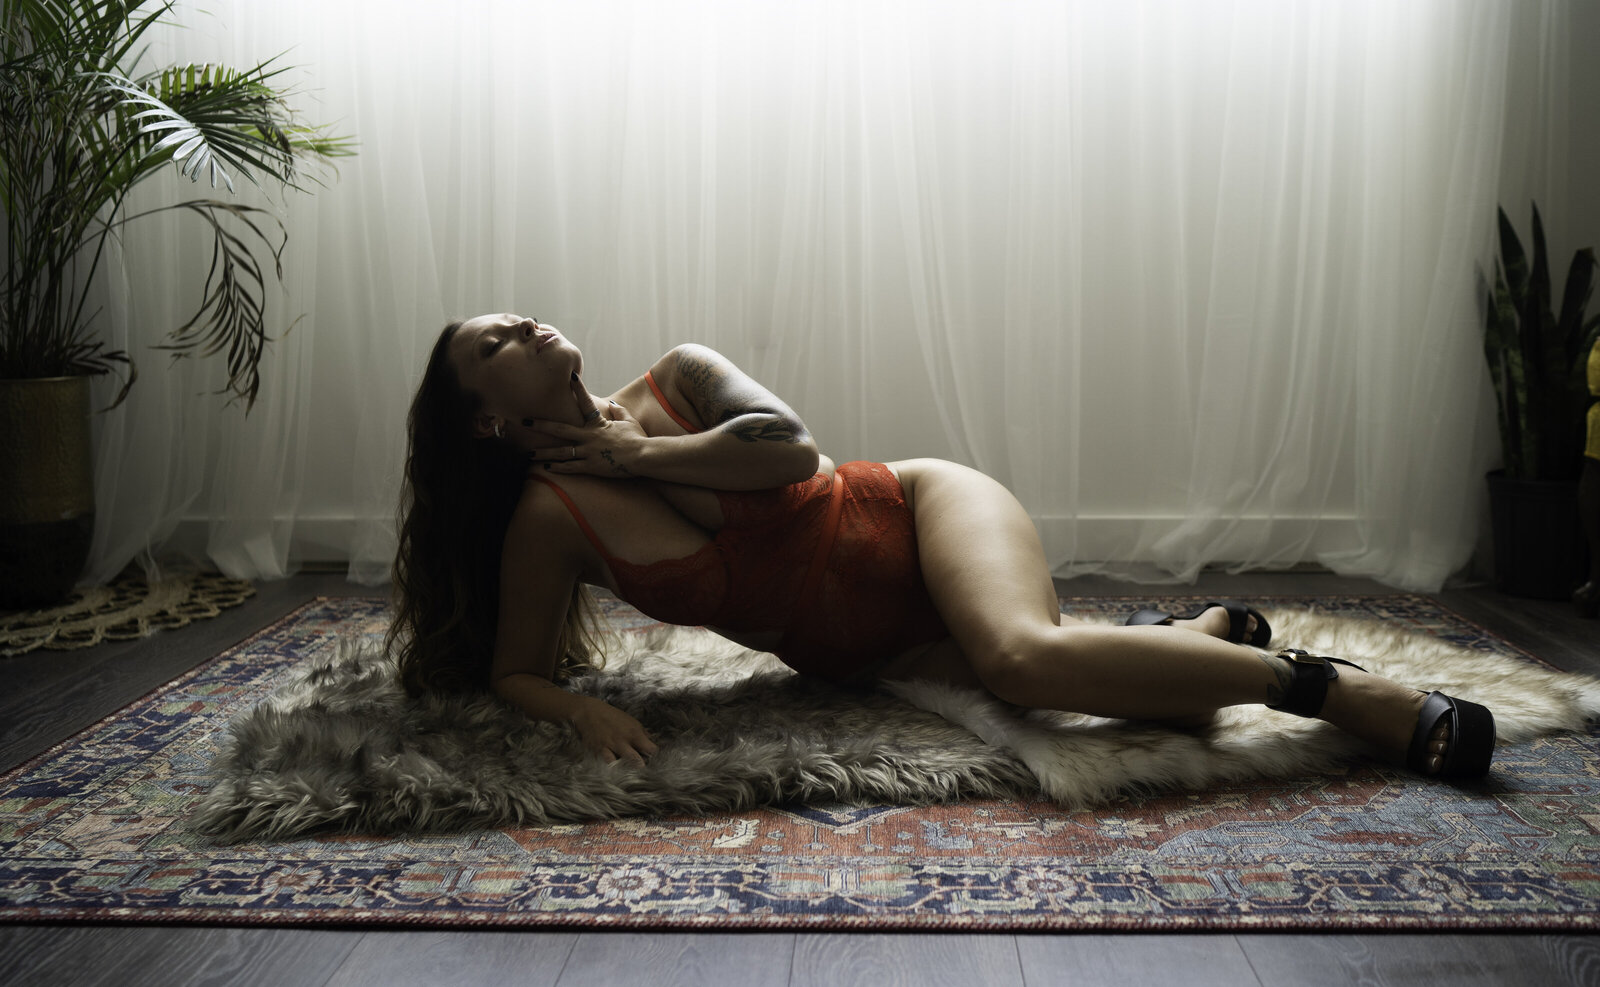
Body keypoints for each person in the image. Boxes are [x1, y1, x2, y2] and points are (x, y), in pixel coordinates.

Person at [387, 313, 1495, 780]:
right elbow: (514, 669)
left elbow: (791, 455)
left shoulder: (677, 377)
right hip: (862, 645)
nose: (526, 323)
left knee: (1023, 657)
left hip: (911, 511)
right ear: (487, 416)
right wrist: (575, 707)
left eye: (519, 313)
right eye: (496, 339)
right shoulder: (548, 518)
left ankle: (1333, 689)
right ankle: (1198, 638)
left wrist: (631, 457)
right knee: (1113, 693)